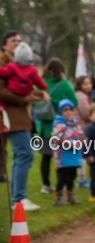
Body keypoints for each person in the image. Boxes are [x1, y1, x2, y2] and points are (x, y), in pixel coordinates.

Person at [0, 31, 45, 211]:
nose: (17, 44)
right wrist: (25, 98)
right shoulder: (3, 64)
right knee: (25, 154)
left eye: (20, 41)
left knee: (21, 155)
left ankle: (18, 198)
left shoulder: (21, 63)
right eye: (13, 41)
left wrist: (34, 94)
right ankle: (18, 199)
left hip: (20, 115)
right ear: (4, 45)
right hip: (9, 115)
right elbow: (1, 91)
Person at [41, 57, 76, 195]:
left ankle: (46, 185)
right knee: (61, 157)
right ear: (61, 69)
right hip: (62, 127)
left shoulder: (42, 84)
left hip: (45, 125)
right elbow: (75, 102)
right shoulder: (65, 84)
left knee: (46, 157)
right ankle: (60, 185)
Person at [51, 99, 84, 206]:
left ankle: (70, 196)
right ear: (61, 112)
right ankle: (58, 197)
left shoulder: (75, 124)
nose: (68, 112)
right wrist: (73, 144)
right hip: (63, 155)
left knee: (72, 176)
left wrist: (82, 141)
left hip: (74, 155)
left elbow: (80, 135)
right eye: (65, 110)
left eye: (70, 110)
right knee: (63, 177)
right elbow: (57, 139)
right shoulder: (59, 124)